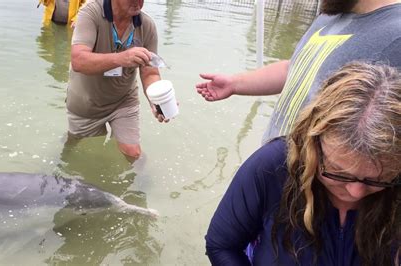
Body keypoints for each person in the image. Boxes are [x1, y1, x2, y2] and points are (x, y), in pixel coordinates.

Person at [205, 62, 401, 265]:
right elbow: (221, 245)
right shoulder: (272, 166)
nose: (356, 192)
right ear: (312, 141)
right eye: (338, 172)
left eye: (379, 179)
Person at [196, 0, 401, 143]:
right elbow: (293, 68)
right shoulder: (332, 14)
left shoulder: (395, 34)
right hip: (277, 170)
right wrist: (234, 83)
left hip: (317, 189)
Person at [66, 0, 166, 160]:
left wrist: (157, 100)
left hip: (124, 100)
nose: (138, 2)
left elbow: (150, 72)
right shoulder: (90, 13)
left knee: (133, 153)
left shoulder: (146, 25)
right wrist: (121, 58)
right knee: (77, 150)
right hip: (86, 103)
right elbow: (78, 61)